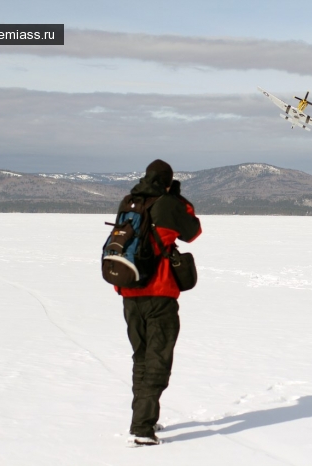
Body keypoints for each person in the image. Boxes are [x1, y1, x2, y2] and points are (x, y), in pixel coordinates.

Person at [116, 159, 202, 445]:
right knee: (158, 362)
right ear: (168, 181)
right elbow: (193, 231)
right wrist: (176, 196)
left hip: (130, 293)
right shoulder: (168, 203)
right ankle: (142, 429)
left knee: (141, 358)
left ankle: (142, 419)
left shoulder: (129, 201)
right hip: (160, 293)